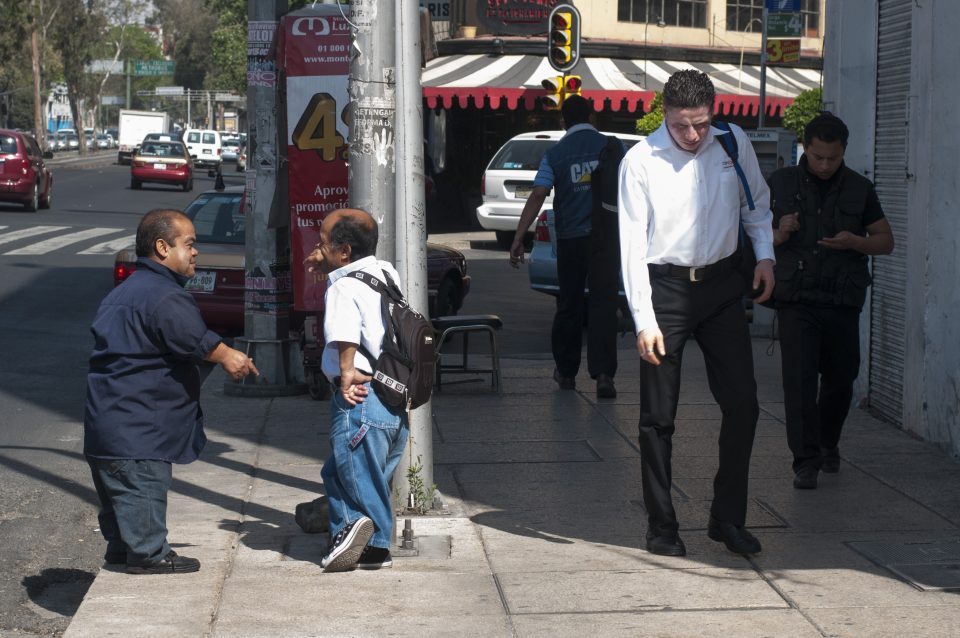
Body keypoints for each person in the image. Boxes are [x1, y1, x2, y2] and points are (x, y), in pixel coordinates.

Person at [618, 70, 775, 557]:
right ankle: (662, 527)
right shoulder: (640, 161)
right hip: (665, 291)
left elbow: (757, 204)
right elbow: (630, 247)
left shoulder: (732, 143)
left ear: (714, 114)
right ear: (665, 113)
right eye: (683, 125)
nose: (693, 135)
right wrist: (643, 320)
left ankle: (726, 519)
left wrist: (765, 254)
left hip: (723, 288)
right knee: (658, 417)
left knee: (744, 404)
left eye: (702, 124)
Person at [84, 209, 258, 574]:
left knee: (119, 496)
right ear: (162, 247)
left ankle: (122, 548)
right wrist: (229, 355)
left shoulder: (124, 292)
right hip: (138, 427)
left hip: (108, 425)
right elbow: (194, 340)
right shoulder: (164, 296)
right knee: (141, 489)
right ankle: (147, 554)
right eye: (190, 244)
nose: (196, 252)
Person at [767, 113, 894, 490]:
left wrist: (856, 242)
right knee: (800, 381)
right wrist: (779, 232)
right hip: (797, 299)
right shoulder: (779, 183)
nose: (824, 165)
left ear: (843, 153)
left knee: (841, 380)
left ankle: (827, 441)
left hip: (841, 299)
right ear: (805, 147)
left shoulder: (860, 188)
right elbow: (752, 234)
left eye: (833, 158)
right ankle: (806, 460)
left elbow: (885, 241)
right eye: (819, 156)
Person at [304, 208, 408, 573]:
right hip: (392, 401)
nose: (317, 247)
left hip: (361, 399)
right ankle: (362, 544)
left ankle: (367, 539)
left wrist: (346, 373)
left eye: (322, 243)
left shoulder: (343, 287)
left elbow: (345, 332)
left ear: (344, 251)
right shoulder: (385, 273)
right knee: (340, 474)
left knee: (359, 481)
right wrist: (327, 263)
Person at [509, 94, 622, 399]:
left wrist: (520, 237)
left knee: (569, 306)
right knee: (603, 306)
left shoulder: (555, 154)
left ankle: (567, 373)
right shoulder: (612, 147)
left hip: (571, 240)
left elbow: (538, 194)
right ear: (592, 116)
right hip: (606, 239)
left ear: (563, 121)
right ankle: (603, 375)